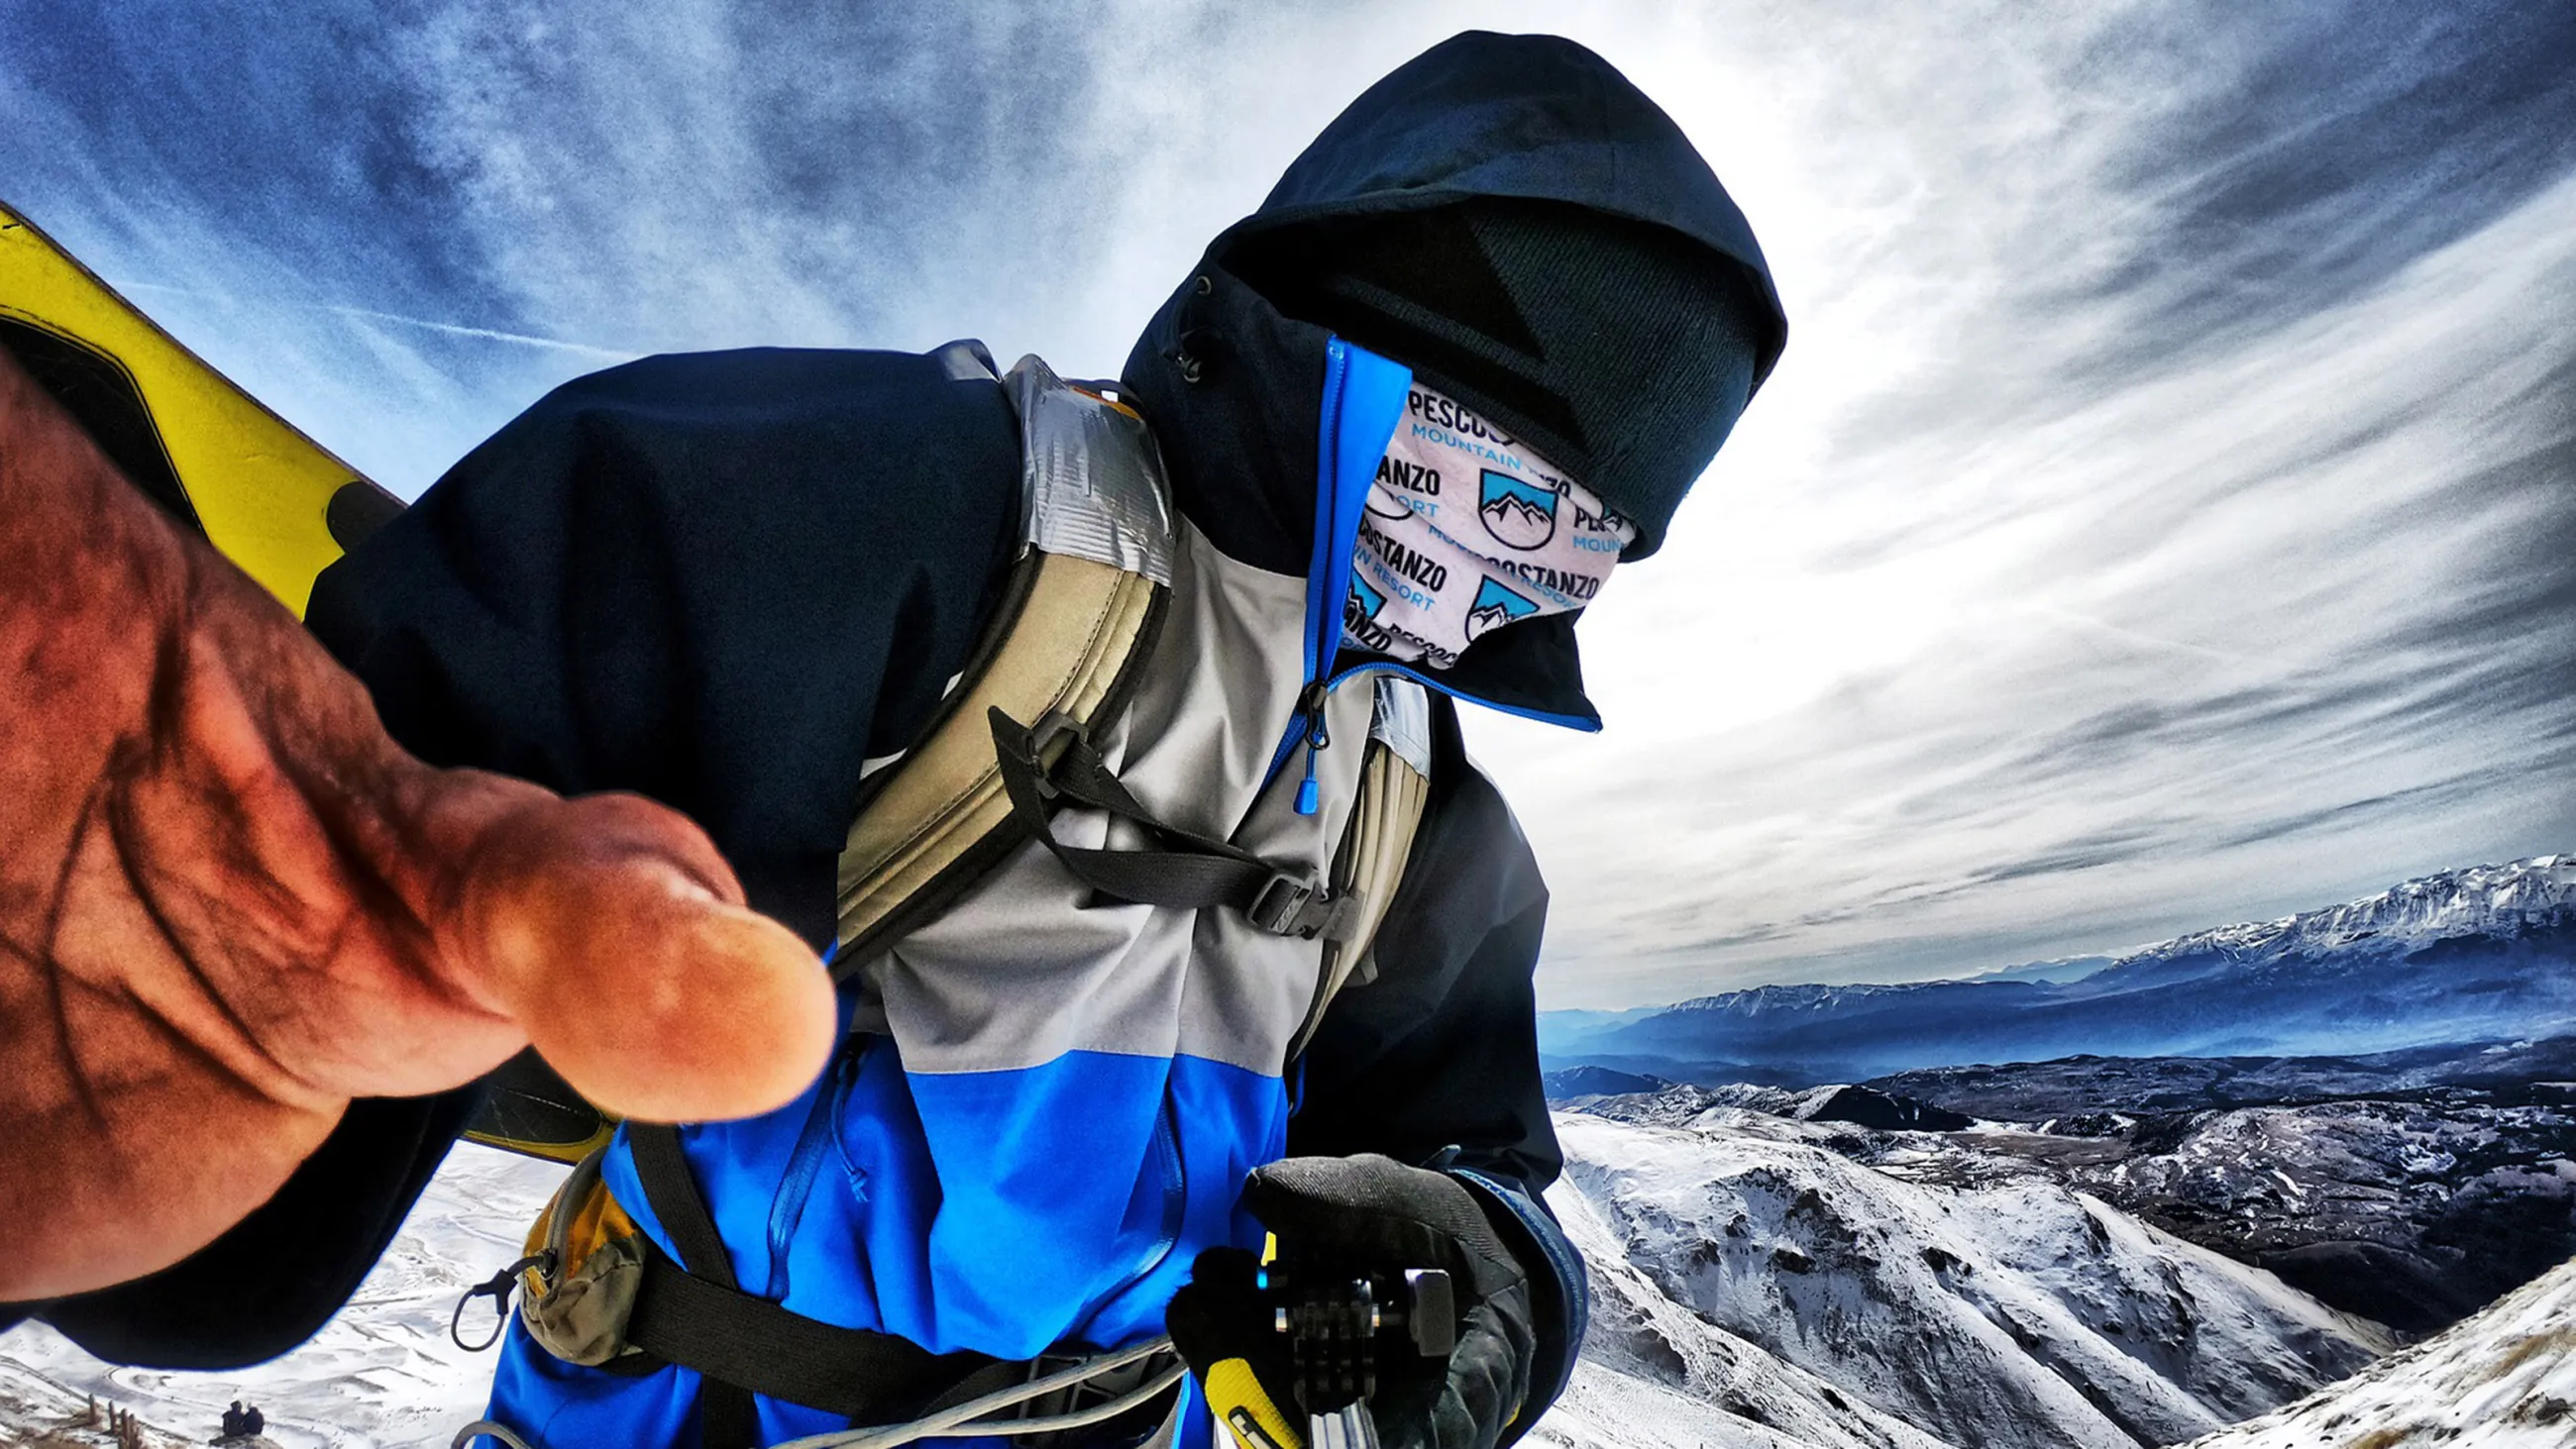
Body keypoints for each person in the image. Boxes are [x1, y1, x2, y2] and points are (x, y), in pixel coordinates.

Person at [0, 30, 1782, 1449]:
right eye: (1489, 491)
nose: (1496, 588)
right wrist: (220, 1243)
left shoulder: (1417, 809)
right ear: (1350, 345)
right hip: (683, 1405)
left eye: (1575, 549)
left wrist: (1491, 1276)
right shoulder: (900, 516)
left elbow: (1478, 1155)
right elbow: (319, 905)